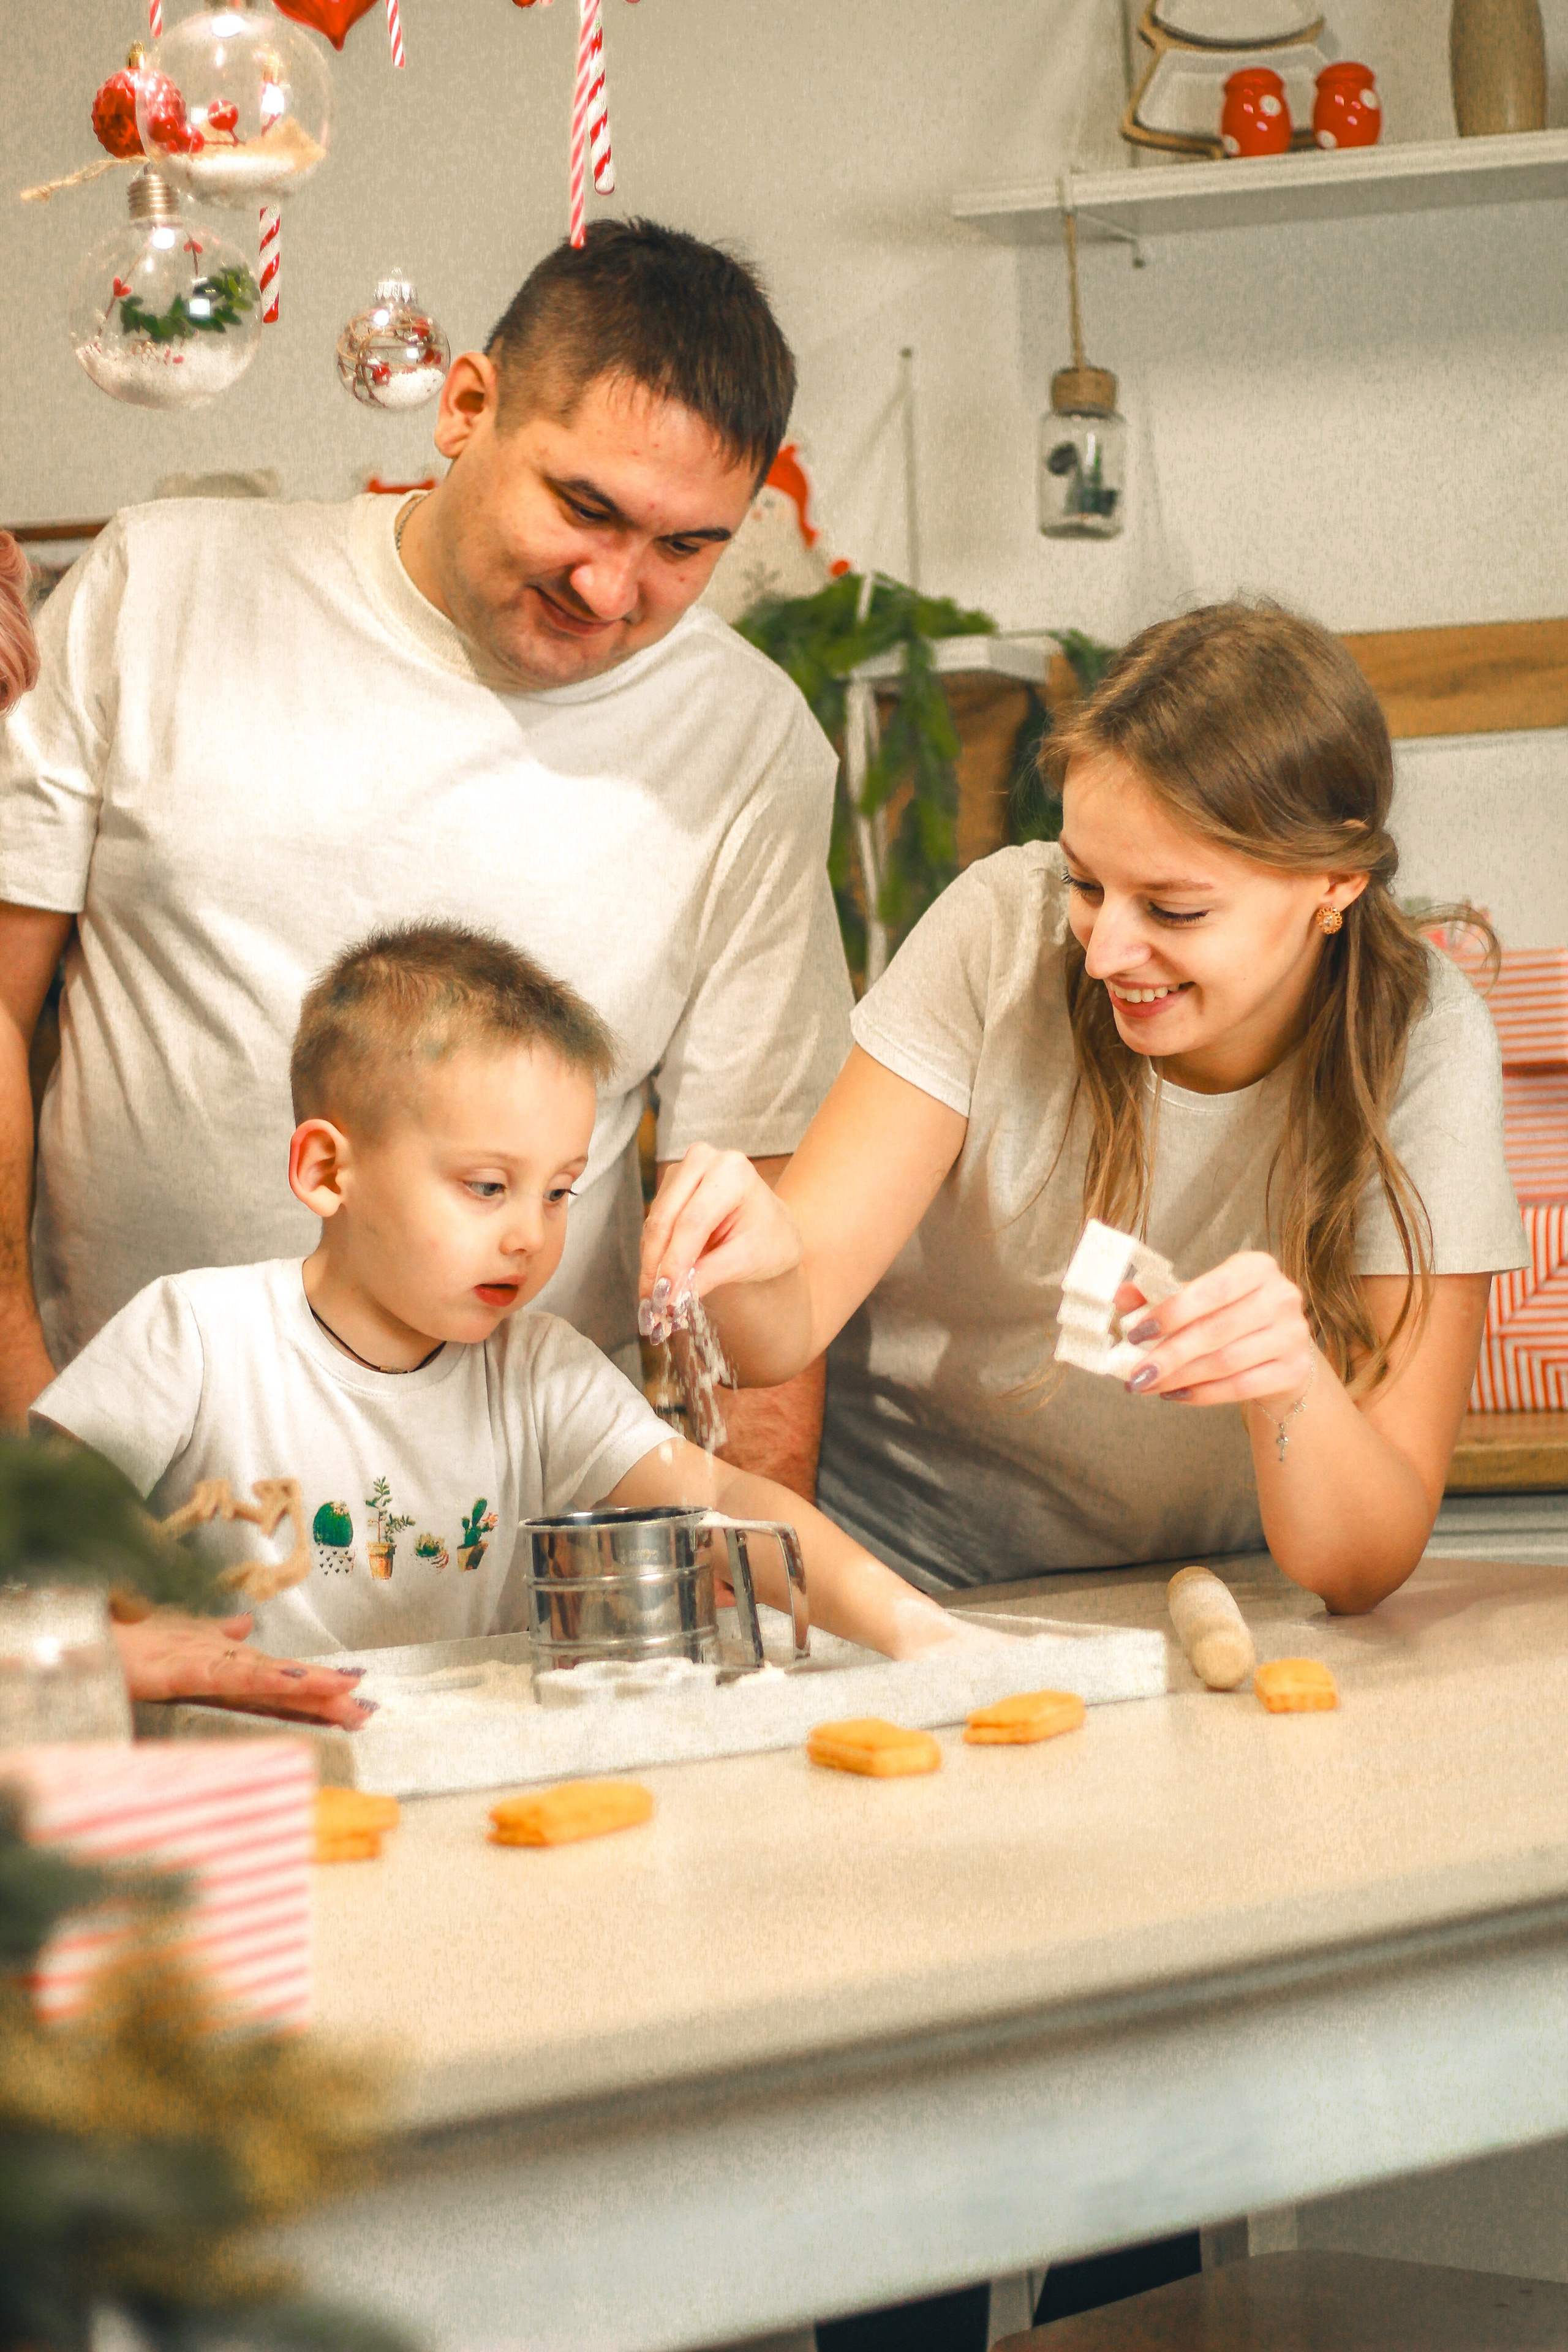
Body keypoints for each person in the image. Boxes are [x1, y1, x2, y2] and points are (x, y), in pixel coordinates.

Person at [0, 220, 849, 1516]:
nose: (614, 587)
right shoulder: (161, 583)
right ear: (466, 405)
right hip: (114, 1469)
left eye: (685, 548)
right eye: (585, 506)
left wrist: (755, 1564)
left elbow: (747, 1193)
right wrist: (23, 1416)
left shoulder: (748, 739)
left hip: (509, 1525)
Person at [641, 601, 1529, 1616]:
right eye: (1086, 883)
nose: (1104, 951)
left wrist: (1292, 1387)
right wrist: (748, 1260)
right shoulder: (997, 936)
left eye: (1175, 909)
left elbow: (1363, 1566)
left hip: (1198, 1599)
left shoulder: (1424, 1038)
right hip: (899, 1589)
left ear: (1335, 883)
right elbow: (777, 1334)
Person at [34, 924, 965, 1702]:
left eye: (559, 1192)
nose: (530, 1235)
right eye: (488, 1186)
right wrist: (107, 1639)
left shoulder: (540, 1370)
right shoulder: (196, 1339)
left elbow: (723, 1503)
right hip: (244, 1783)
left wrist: (914, 1628)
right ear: (327, 1172)